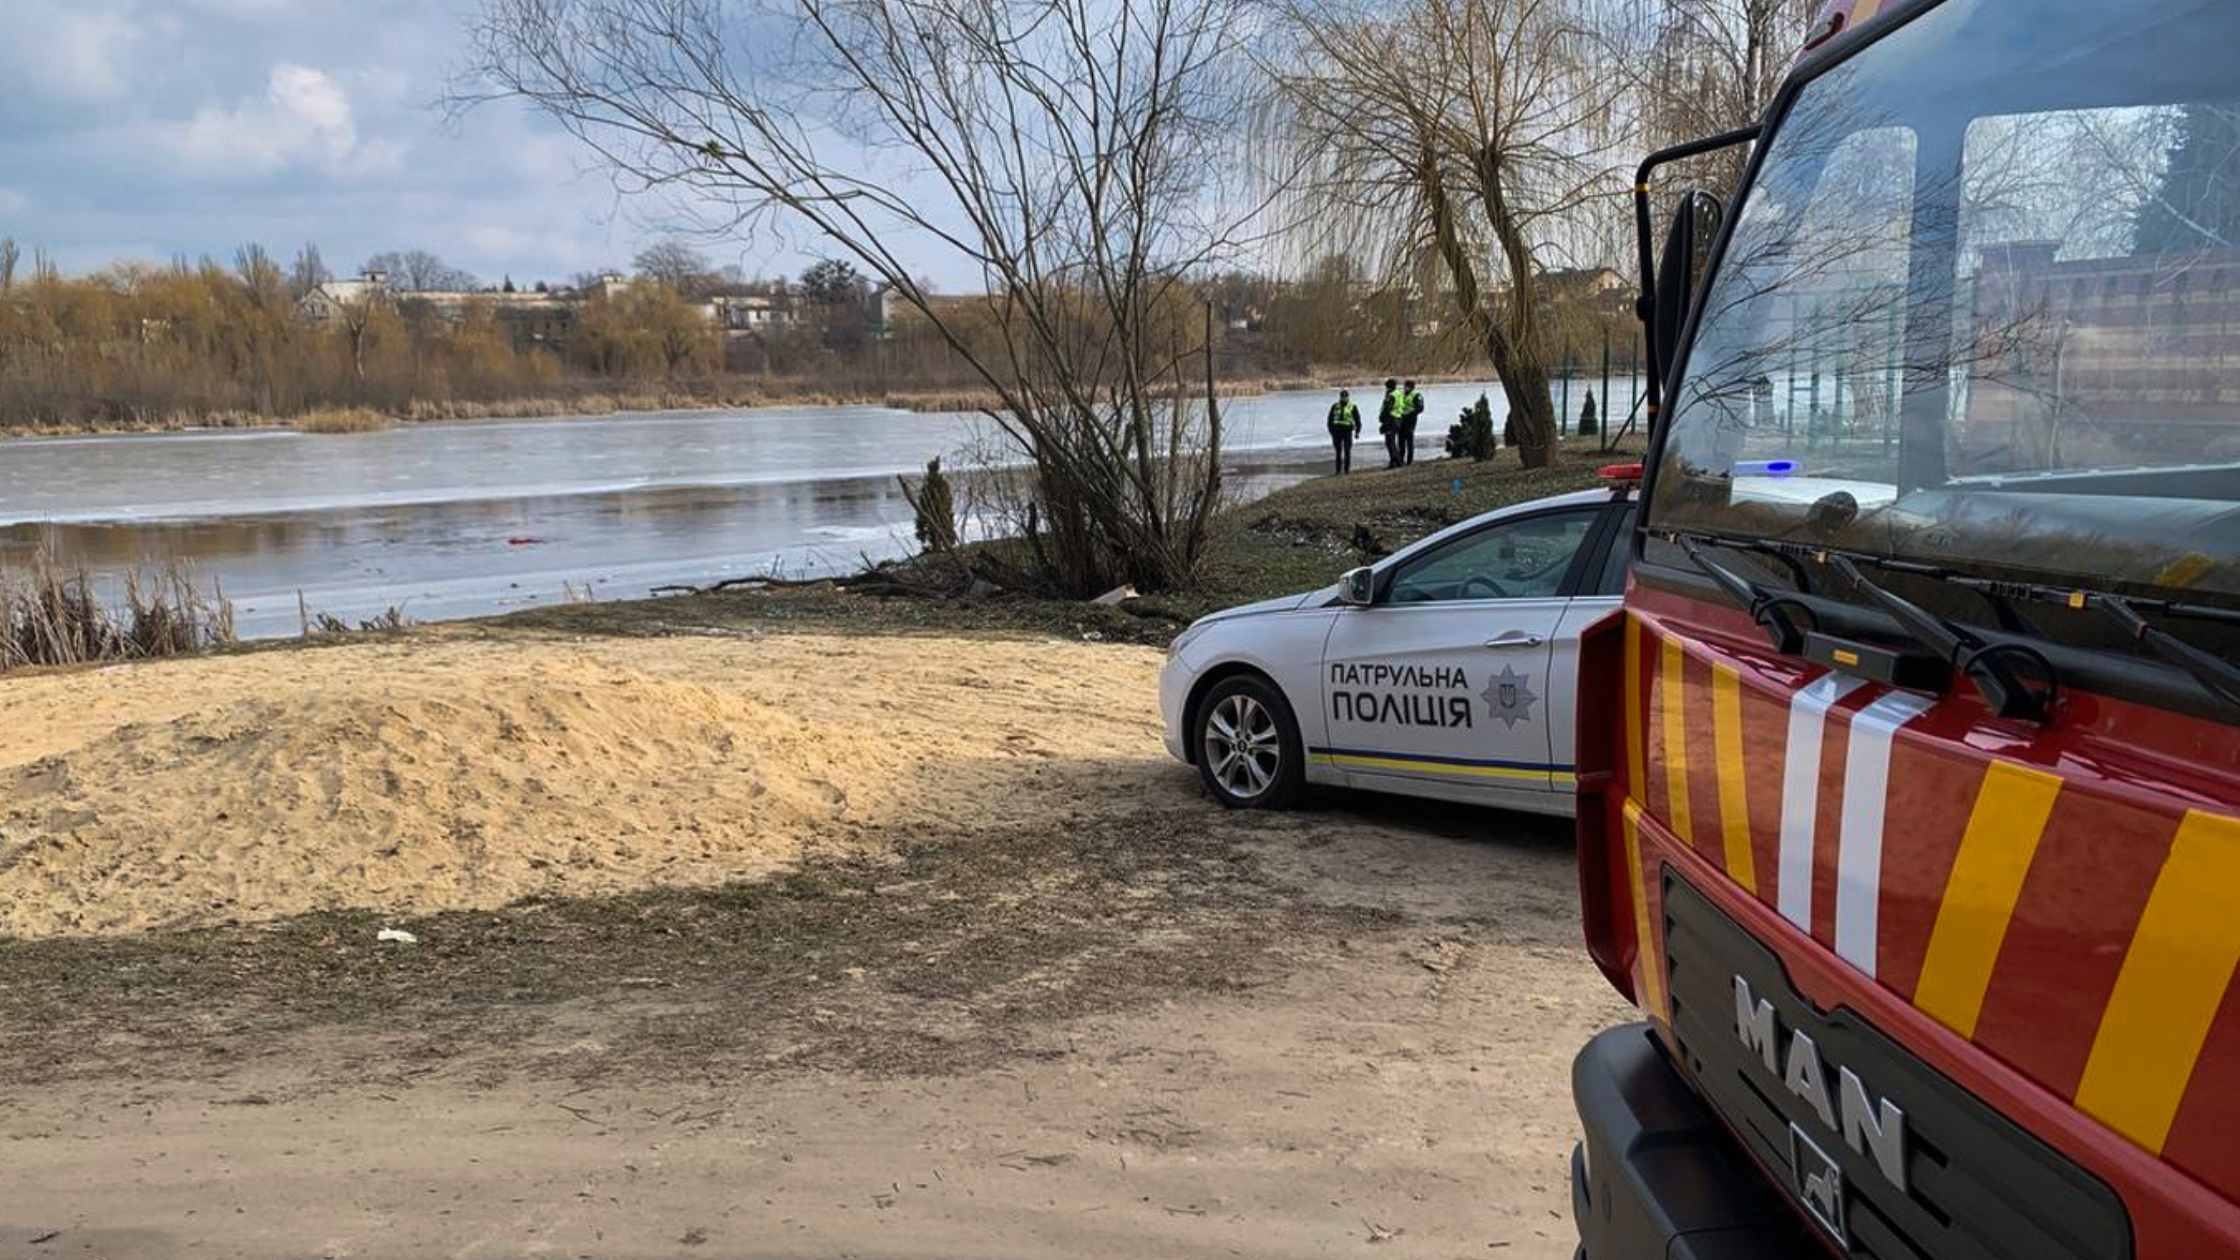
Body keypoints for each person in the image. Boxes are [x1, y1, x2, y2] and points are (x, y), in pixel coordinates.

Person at [1325, 389, 1361, 475]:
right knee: (1338, 451)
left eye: (1345, 397)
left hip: (1347, 431)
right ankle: (1338, 470)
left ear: (1348, 397)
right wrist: (1331, 431)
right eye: (1342, 397)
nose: (1344, 398)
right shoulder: (1335, 406)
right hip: (1337, 431)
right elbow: (1330, 420)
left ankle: (1346, 470)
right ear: (1340, 397)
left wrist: (1357, 432)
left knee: (1347, 451)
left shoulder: (1353, 406)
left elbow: (1357, 420)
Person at [1398, 379, 1424, 466]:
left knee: (1409, 439)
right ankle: (1400, 459)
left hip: (1410, 420)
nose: (1404, 388)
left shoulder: (1416, 395)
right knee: (1400, 440)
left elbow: (1420, 408)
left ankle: (1409, 460)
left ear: (1411, 387)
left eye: (1406, 386)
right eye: (1404, 386)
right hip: (1401, 419)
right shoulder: (1402, 395)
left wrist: (1410, 414)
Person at [1378, 377, 1402, 468]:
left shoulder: (1391, 395)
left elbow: (1387, 409)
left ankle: (1395, 462)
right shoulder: (1398, 393)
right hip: (1398, 418)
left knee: (1389, 442)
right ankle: (1396, 461)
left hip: (1391, 420)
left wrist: (1383, 420)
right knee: (1392, 442)